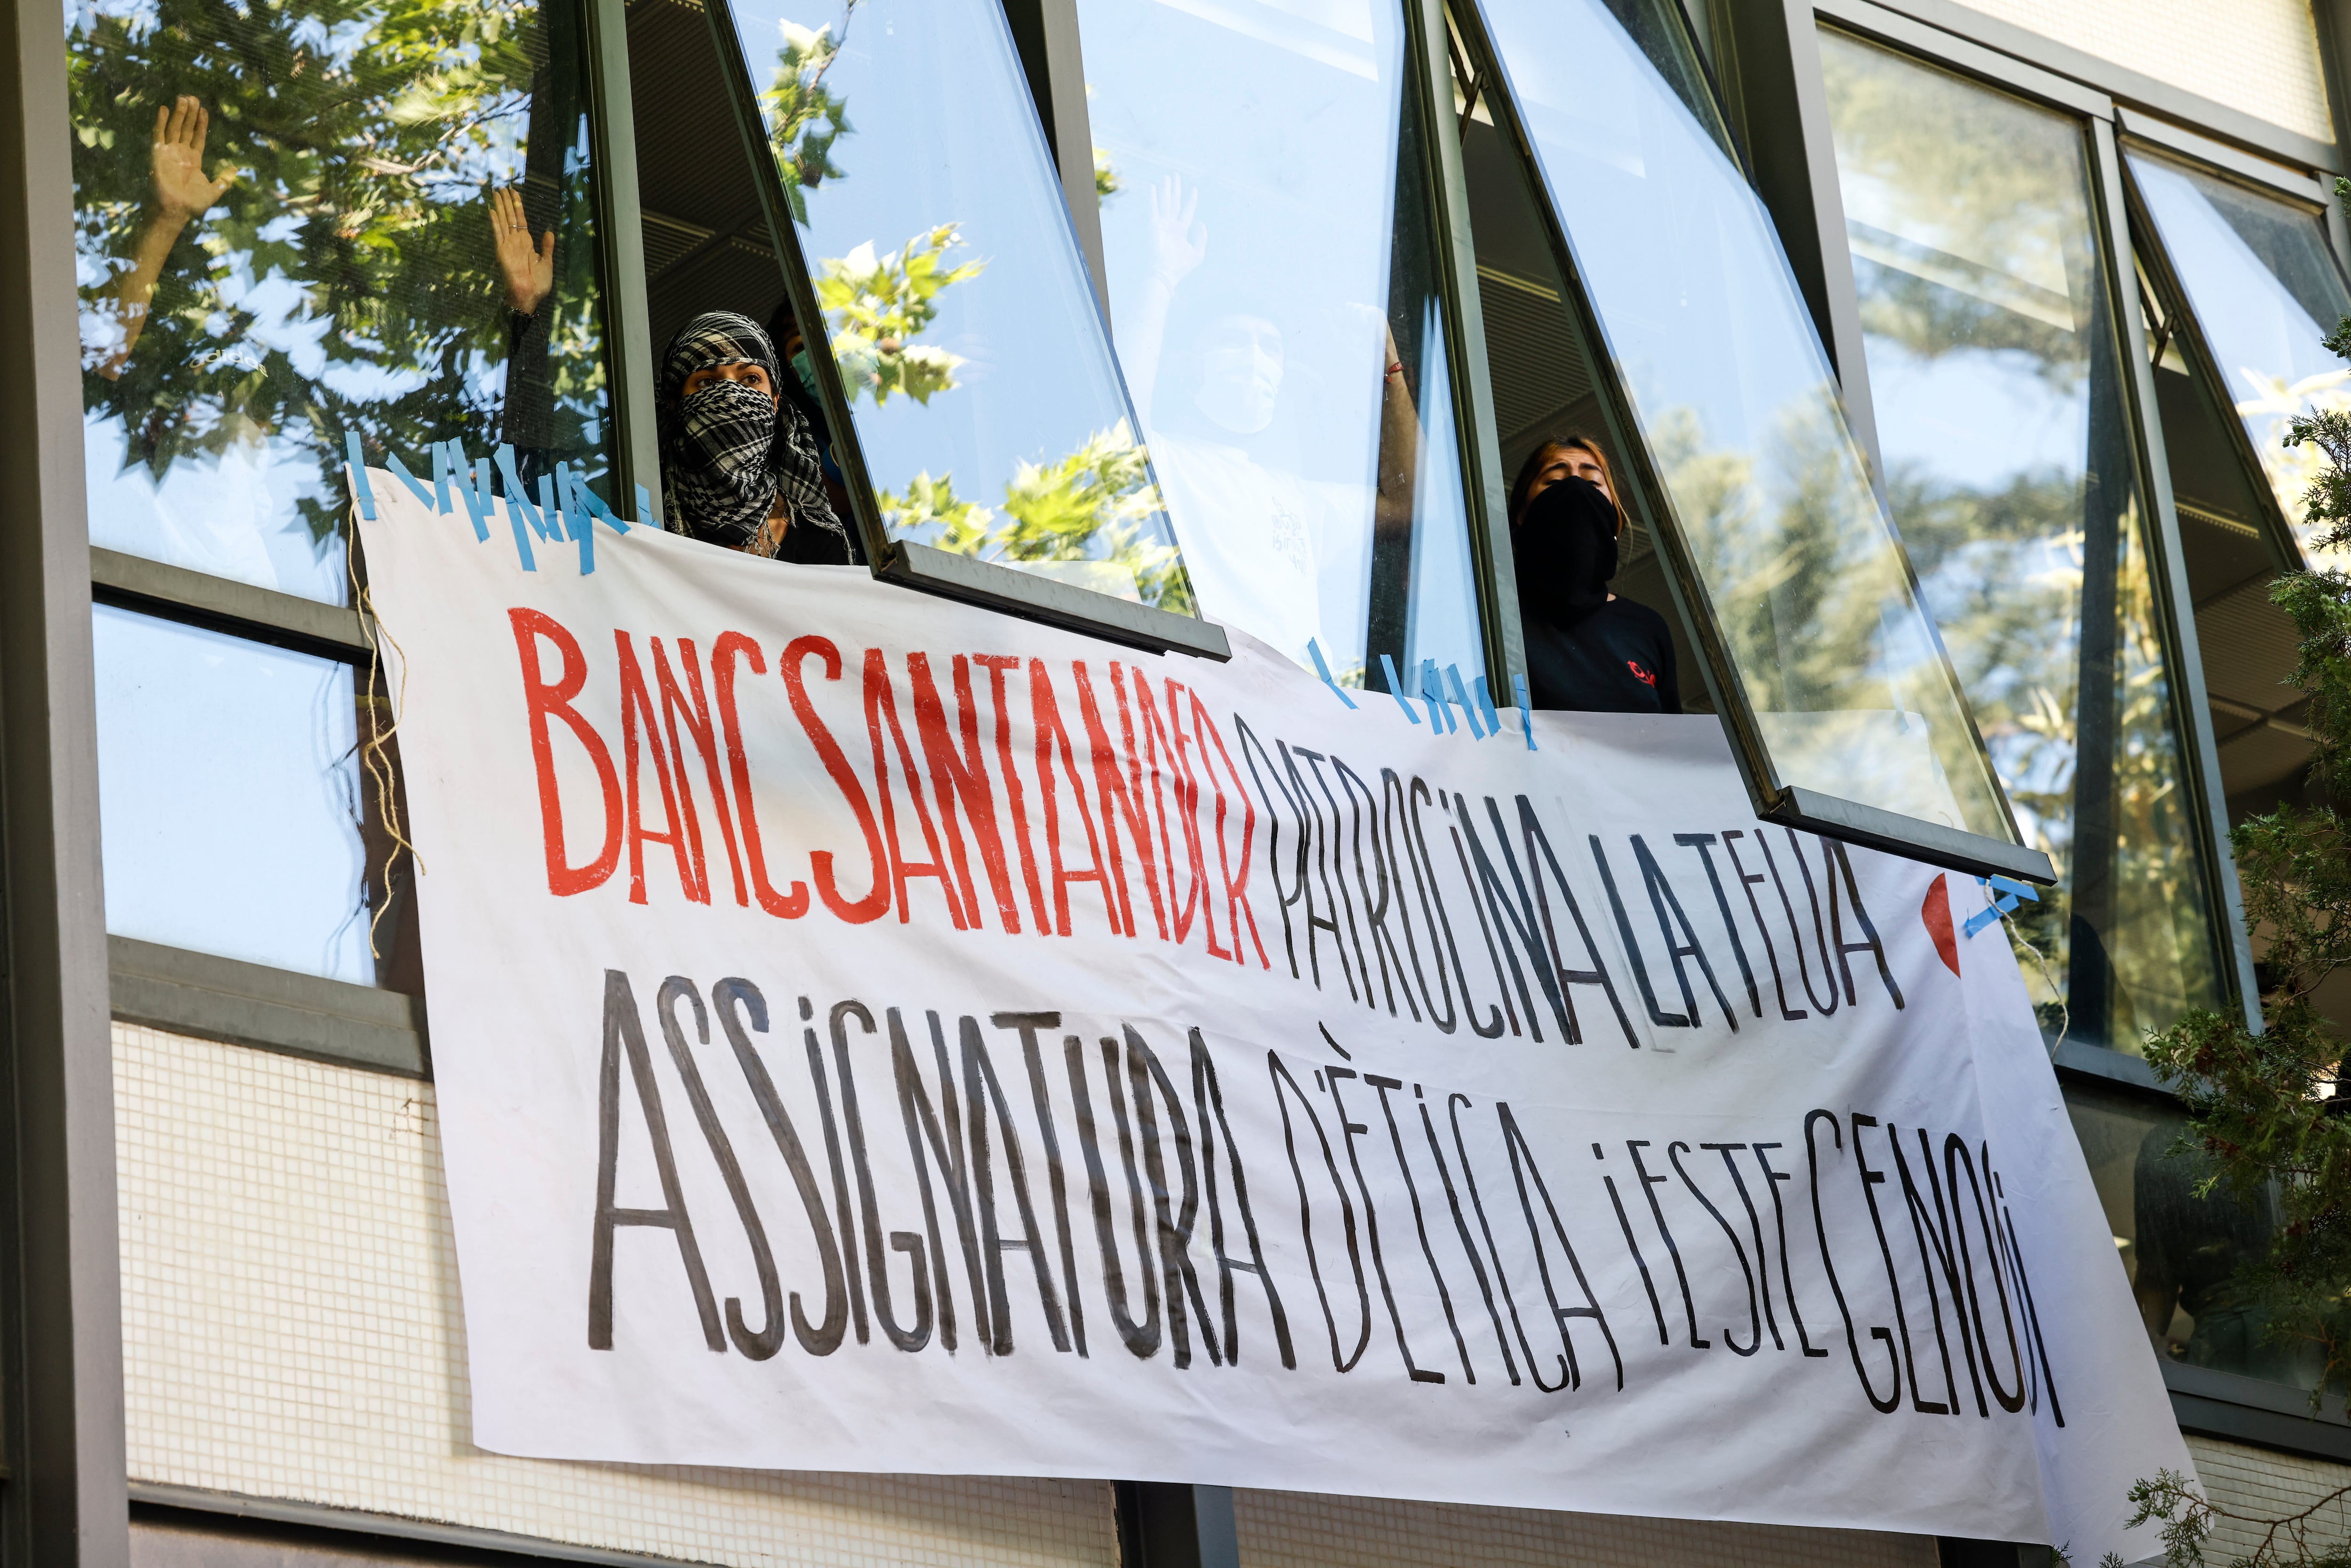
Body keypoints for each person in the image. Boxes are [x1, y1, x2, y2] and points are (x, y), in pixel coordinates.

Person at [655, 311, 852, 563]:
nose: (732, 394)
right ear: (675, 405)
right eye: (706, 382)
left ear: (774, 401)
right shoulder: (648, 513)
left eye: (751, 378)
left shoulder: (817, 528)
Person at [1511, 435, 1680, 713]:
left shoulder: (1647, 628)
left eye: (1593, 484)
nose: (1575, 488)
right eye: (1554, 483)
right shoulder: (1487, 612)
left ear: (1614, 516)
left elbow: (1674, 748)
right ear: (1521, 513)